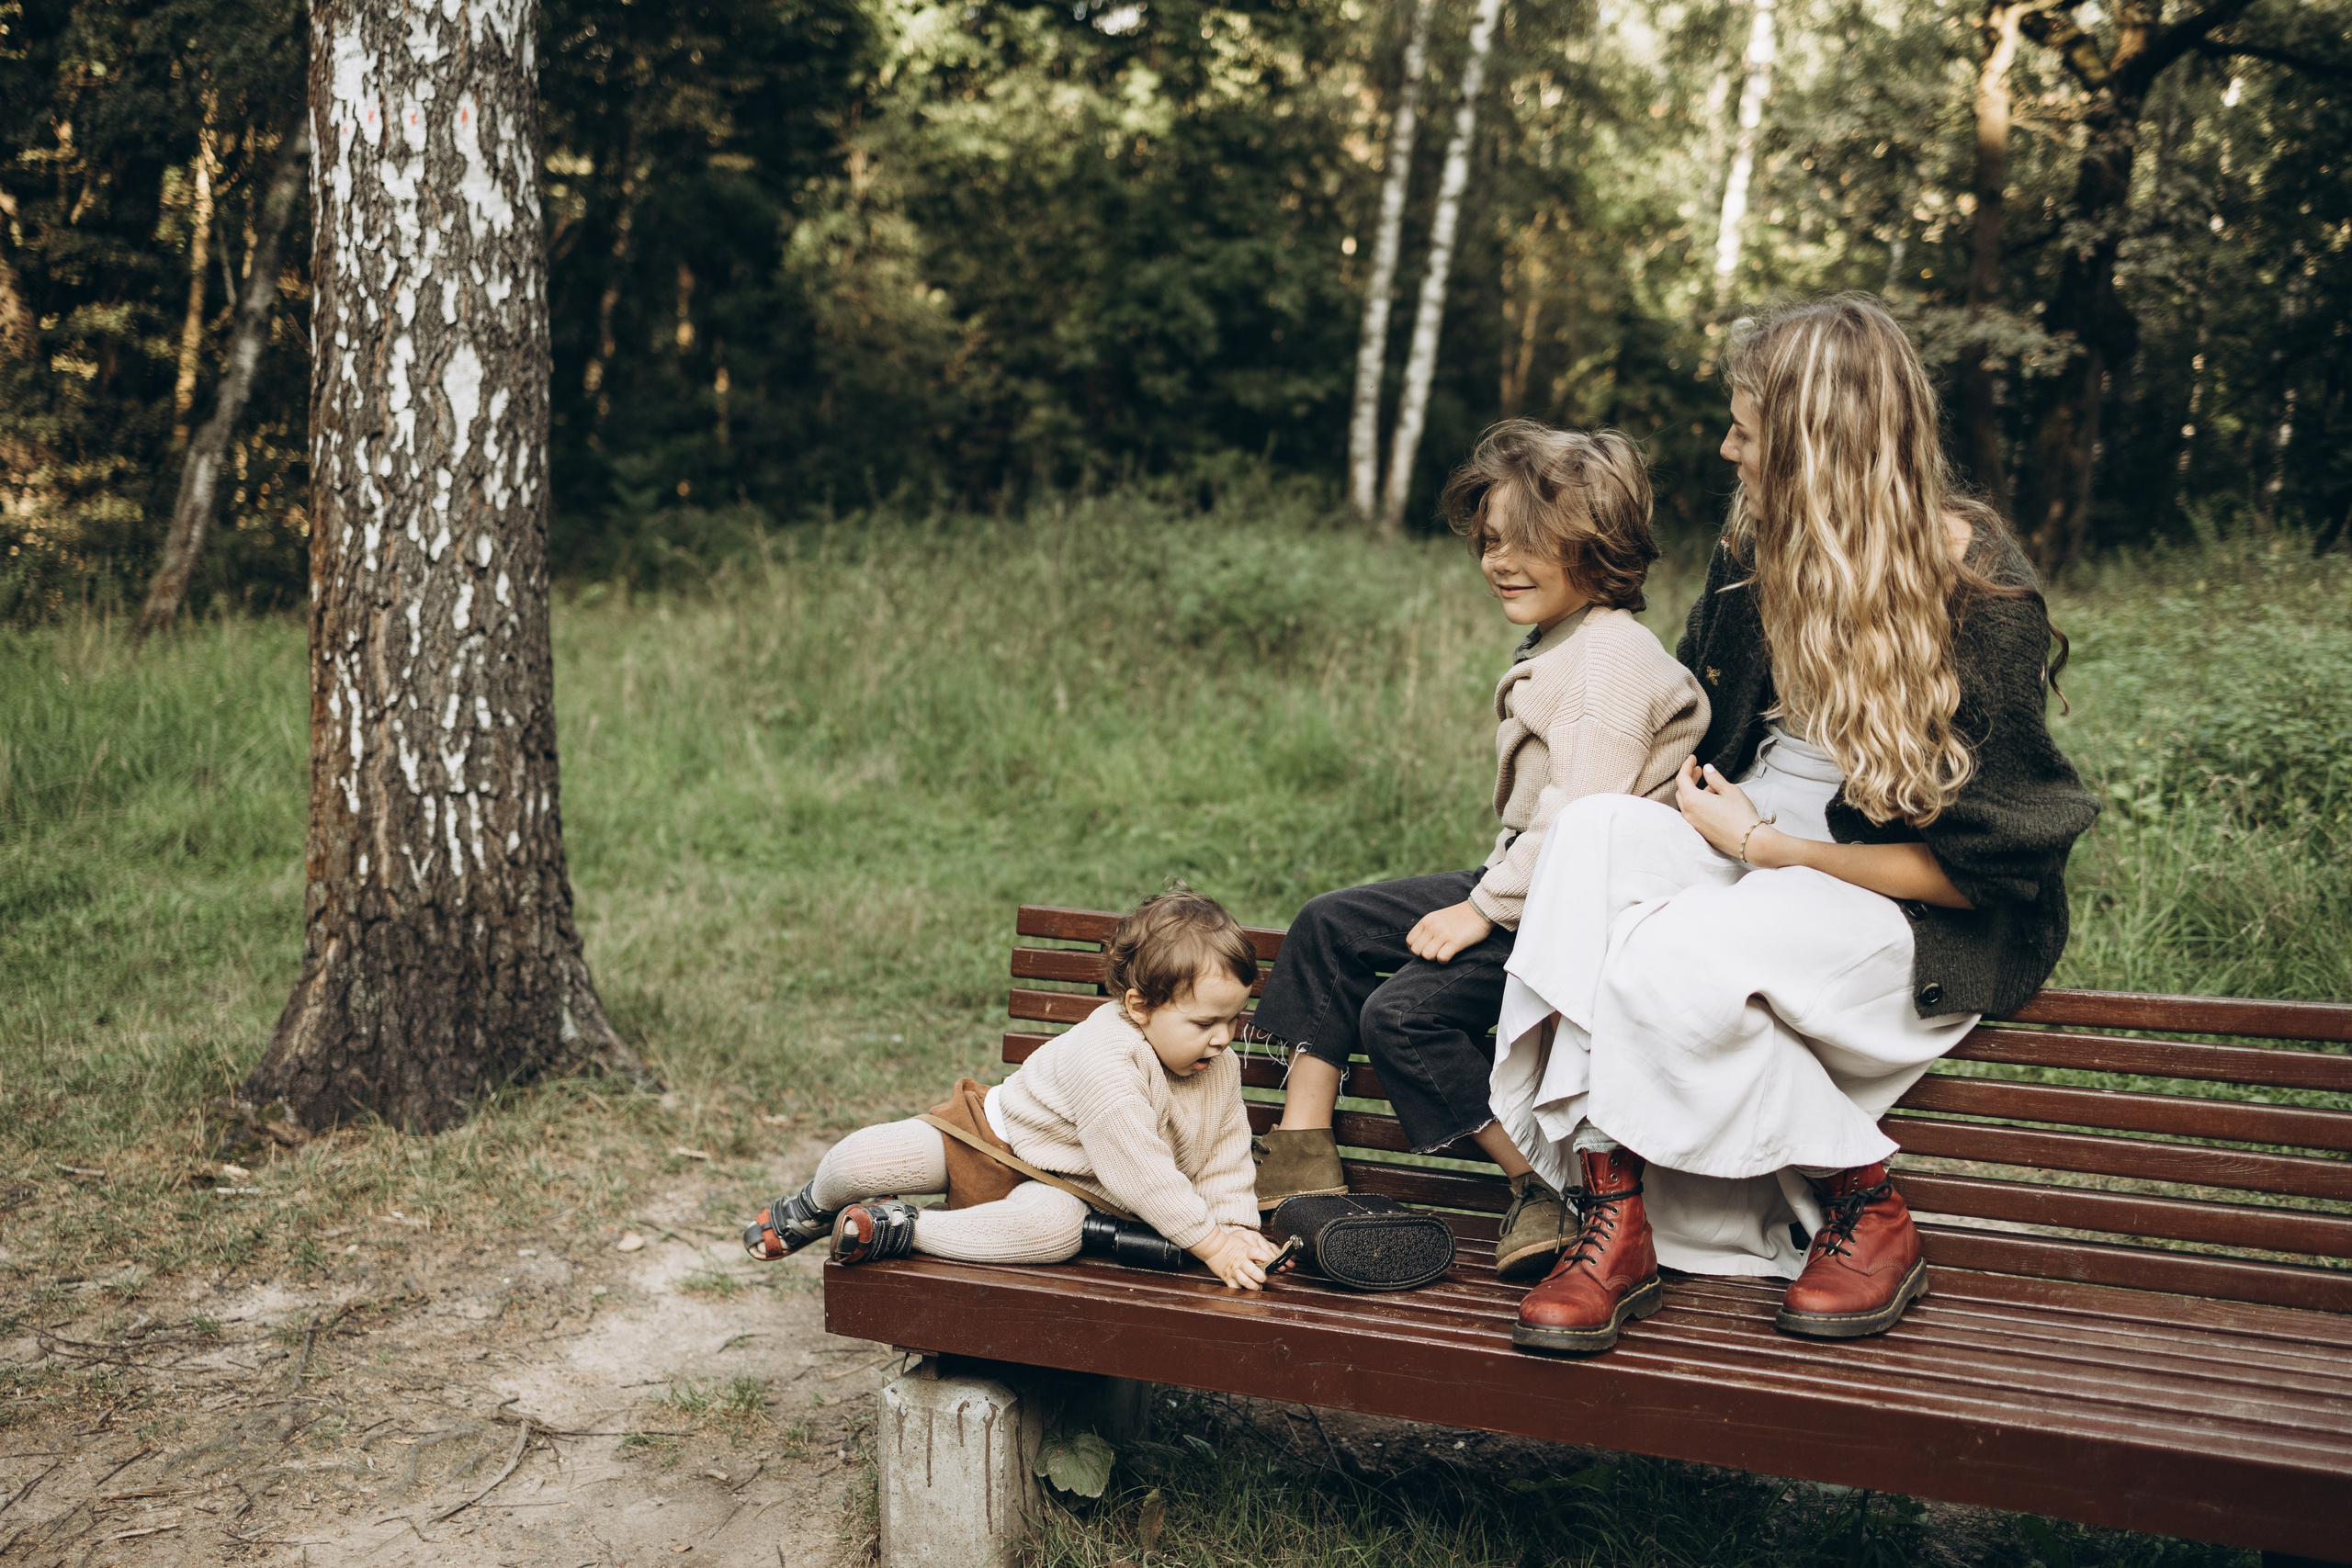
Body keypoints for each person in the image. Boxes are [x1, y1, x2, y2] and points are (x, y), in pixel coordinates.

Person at [1492, 294, 2099, 1355]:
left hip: (1887, 896)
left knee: (1670, 955)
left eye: (1744, 426)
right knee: (1590, 837)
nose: (1726, 446)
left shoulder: (1974, 588)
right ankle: (1614, 1210)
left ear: (1820, 442)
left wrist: (1770, 851)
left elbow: (1988, 875)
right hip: (1742, 838)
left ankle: (1868, 1203)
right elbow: (1695, 732)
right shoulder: (1756, 550)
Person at [1248, 423, 1711, 1282]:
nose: (1501, 559)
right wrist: (1491, 892)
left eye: (1530, 542)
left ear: (1597, 546)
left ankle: (1540, 1189)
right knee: (1329, 925)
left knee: (1403, 1016)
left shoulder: (1610, 658)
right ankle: (1301, 1148)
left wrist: (1482, 909)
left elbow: (1582, 816)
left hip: (1581, 910)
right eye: (1492, 539)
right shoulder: (1569, 640)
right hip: (1528, 879)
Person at [742, 888, 1289, 1291]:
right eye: (1203, 1024)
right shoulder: (1106, 1052)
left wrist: (1236, 1226)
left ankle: (904, 1229)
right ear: (1140, 1006)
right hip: (992, 1135)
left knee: (1049, 1232)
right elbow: (1136, 1163)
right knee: (861, 1163)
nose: (1222, 1040)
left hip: (1076, 1187)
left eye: (1234, 1020)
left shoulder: (1214, 1067)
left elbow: (1224, 1153)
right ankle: (815, 1203)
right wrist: (1211, 1244)